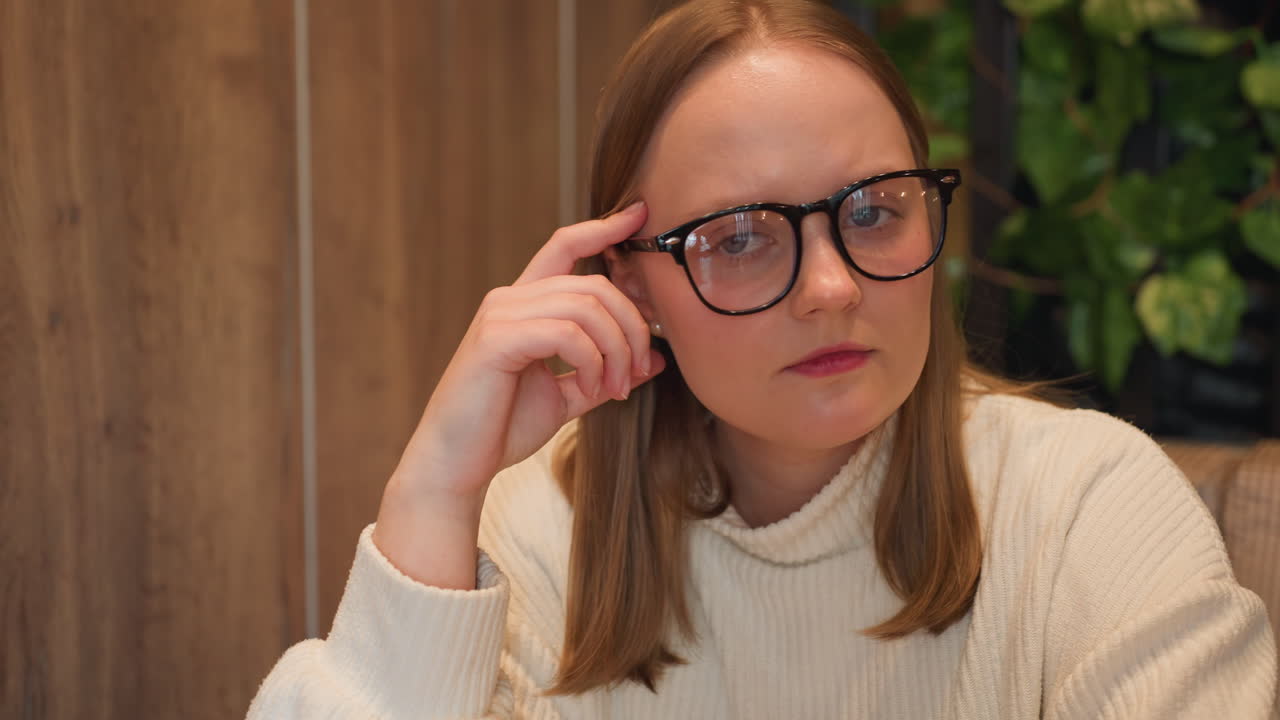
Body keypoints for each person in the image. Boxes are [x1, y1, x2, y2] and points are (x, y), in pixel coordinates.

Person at [247, 0, 1278, 717]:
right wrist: (435, 486)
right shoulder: (538, 539)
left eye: (873, 212)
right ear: (633, 284)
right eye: (740, 237)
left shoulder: (1085, 505)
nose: (830, 287)